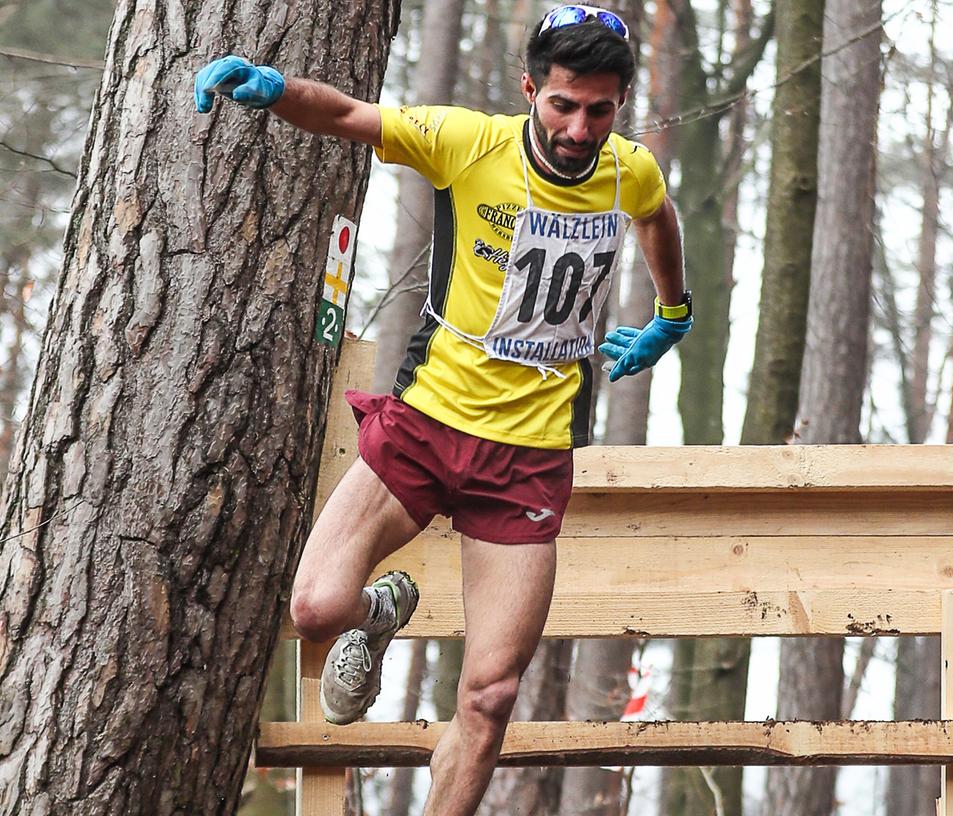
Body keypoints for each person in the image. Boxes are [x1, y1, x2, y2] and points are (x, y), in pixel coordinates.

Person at [195, 5, 689, 812]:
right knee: (316, 607)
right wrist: (276, 89)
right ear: (532, 89)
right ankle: (380, 611)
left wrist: (674, 313)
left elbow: (657, 217)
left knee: (490, 697)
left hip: (528, 459)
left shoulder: (627, 169)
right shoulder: (469, 142)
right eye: (563, 103)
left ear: (620, 104)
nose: (578, 127)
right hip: (427, 425)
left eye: (600, 109)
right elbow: (350, 114)